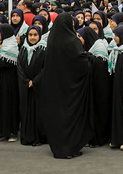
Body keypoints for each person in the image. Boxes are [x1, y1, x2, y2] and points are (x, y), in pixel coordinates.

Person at [40, 13, 93, 159]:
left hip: (54, 87)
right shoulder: (72, 41)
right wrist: (88, 58)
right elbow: (81, 65)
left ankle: (58, 148)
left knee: (57, 116)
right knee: (70, 117)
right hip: (71, 88)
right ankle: (69, 148)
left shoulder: (51, 39)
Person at [79, 25, 111, 148]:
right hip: (90, 88)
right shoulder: (88, 48)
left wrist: (88, 57)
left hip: (100, 89)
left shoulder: (99, 48)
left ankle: (99, 138)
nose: (79, 39)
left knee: (99, 112)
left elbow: (100, 67)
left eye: (81, 37)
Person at [0, 24, 19, 143]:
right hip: (0, 80)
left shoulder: (11, 46)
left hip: (9, 82)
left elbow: (2, 63)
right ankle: (1, 131)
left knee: (9, 105)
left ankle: (12, 131)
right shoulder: (2, 44)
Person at [17, 24, 46, 146]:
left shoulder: (44, 49)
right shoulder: (23, 49)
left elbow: (45, 68)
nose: (32, 38)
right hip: (26, 86)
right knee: (26, 110)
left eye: (35, 35)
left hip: (38, 86)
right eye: (30, 35)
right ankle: (26, 137)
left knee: (37, 112)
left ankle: (38, 137)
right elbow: (19, 67)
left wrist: (34, 81)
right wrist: (25, 81)